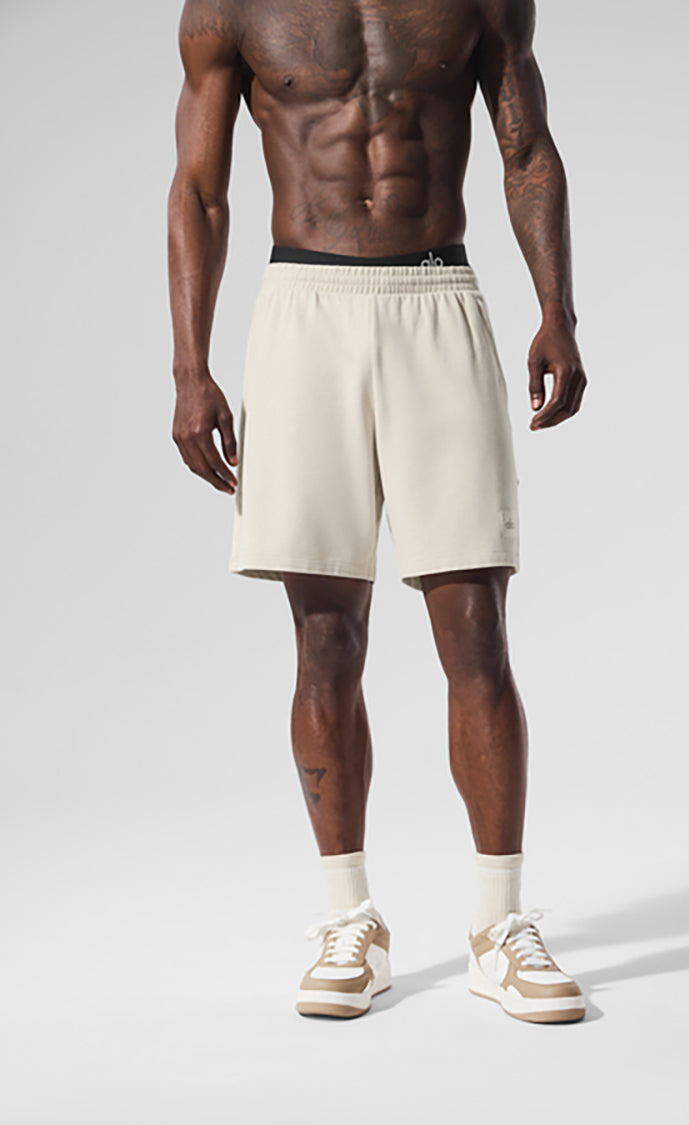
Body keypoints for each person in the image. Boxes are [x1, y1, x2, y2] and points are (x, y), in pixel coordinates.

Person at [167, 0, 588, 1024]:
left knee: (477, 632)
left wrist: (557, 310)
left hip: (438, 297)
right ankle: (349, 919)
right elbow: (201, 188)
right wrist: (189, 367)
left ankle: (499, 926)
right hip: (303, 309)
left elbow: (526, 150)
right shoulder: (233, 5)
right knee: (325, 639)